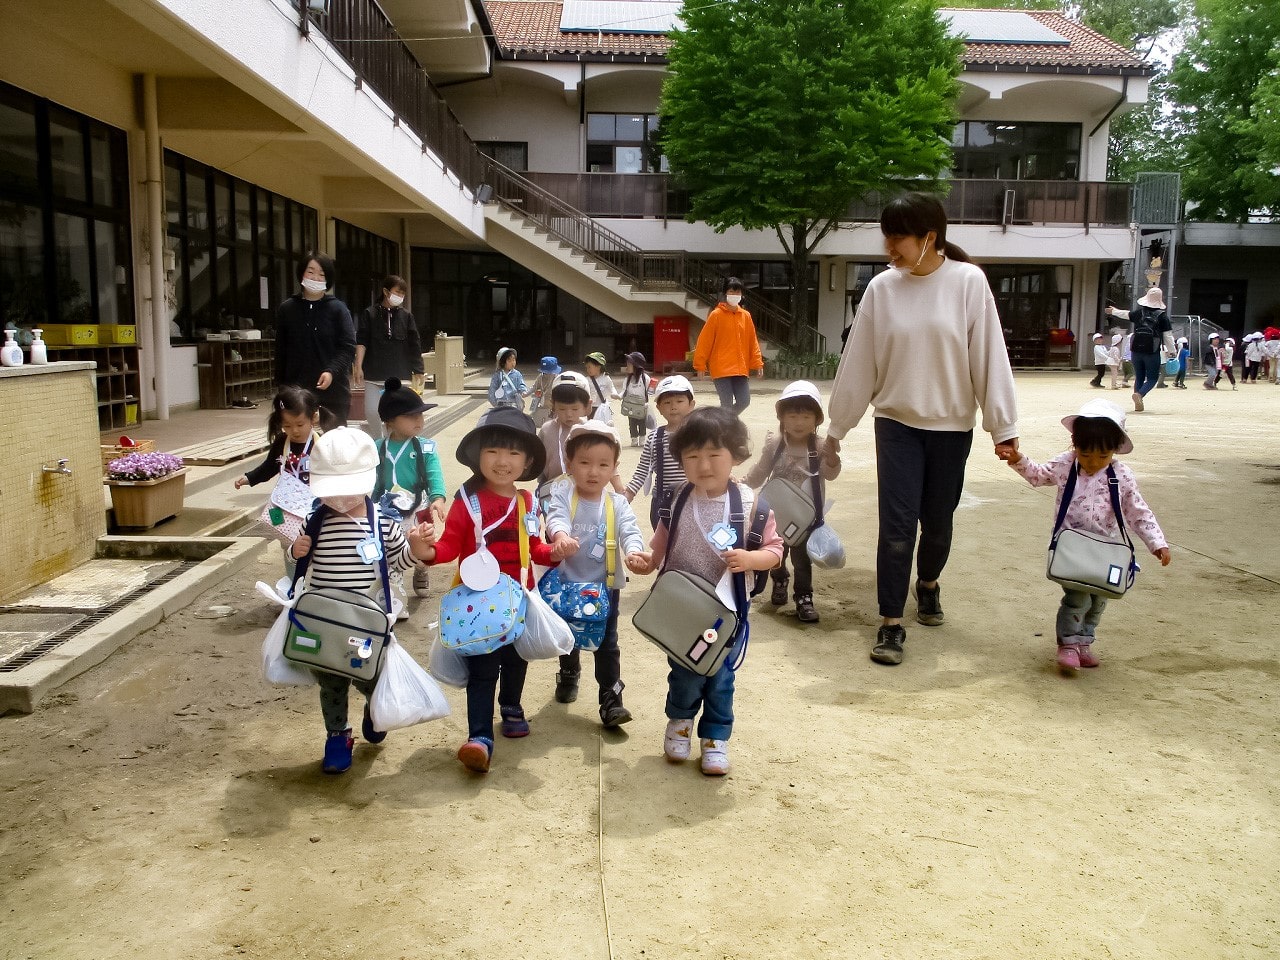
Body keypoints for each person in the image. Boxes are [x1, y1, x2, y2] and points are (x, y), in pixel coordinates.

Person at [824, 192, 1019, 667]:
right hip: (896, 425)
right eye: (886, 237)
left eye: (899, 238)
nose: (889, 248)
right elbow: (859, 364)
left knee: (938, 524)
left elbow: (989, 357)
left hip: (952, 428)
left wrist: (1002, 427)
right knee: (895, 528)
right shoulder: (881, 289)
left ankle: (927, 584)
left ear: (930, 237)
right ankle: (891, 622)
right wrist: (837, 430)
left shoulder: (968, 282)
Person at [632, 408, 784, 776]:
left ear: (735, 455)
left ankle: (715, 738)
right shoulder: (677, 499)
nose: (704, 465)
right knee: (684, 672)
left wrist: (752, 558)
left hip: (726, 613)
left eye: (715, 454)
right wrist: (648, 561)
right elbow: (663, 541)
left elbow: (775, 552)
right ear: (680, 458)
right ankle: (679, 724)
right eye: (693, 456)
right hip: (684, 611)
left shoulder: (752, 507)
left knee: (720, 678)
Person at [287, 427, 435, 774]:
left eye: (347, 491)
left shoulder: (382, 522)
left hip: (366, 621)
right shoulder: (314, 520)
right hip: (324, 620)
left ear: (369, 482)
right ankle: (337, 735)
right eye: (331, 492)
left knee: (370, 675)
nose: (339, 500)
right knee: (331, 681)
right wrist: (297, 552)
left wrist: (414, 550)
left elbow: (397, 563)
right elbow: (299, 565)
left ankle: (375, 708)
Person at [415, 407, 553, 773]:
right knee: (482, 667)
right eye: (493, 451)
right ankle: (479, 736)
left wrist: (555, 553)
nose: (502, 461)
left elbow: (535, 548)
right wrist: (424, 550)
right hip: (477, 606)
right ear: (478, 456)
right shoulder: (467, 503)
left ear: (527, 462)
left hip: (519, 599)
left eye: (513, 453)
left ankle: (511, 707)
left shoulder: (527, 502)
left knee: (516, 659)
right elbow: (447, 548)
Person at [998, 399, 1171, 671]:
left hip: (1105, 550)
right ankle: (1068, 644)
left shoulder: (1121, 476)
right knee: (1077, 598)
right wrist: (1018, 459)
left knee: (1100, 598)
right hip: (1072, 549)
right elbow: (1039, 475)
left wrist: (1156, 542)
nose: (1092, 462)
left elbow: (1137, 512)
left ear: (1114, 450)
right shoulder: (1066, 465)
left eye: (1102, 456)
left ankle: (1084, 642)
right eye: (1085, 454)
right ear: (1074, 445)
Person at [543, 422, 649, 724]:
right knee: (569, 634)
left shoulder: (616, 502)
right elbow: (556, 517)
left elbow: (630, 530)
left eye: (603, 465)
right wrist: (560, 536)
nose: (593, 472)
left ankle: (610, 697)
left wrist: (633, 552)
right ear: (570, 463)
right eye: (585, 463)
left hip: (605, 586)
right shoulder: (563, 494)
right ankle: (569, 671)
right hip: (567, 582)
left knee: (607, 642)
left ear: (614, 467)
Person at [742, 380, 842, 623]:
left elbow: (830, 474)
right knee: (776, 553)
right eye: (792, 415)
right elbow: (762, 470)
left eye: (806, 416)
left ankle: (804, 597)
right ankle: (779, 579)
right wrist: (742, 485)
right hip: (775, 516)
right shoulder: (776, 444)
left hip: (805, 518)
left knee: (801, 559)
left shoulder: (818, 447)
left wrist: (832, 459)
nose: (799, 422)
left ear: (817, 419)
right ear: (782, 417)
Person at [235, 386, 326, 577]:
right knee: (288, 544)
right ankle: (293, 586)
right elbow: (269, 467)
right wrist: (249, 478)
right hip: (282, 506)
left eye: (300, 425)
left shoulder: (322, 444)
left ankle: (314, 585)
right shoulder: (281, 443)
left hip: (313, 507)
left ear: (313, 418)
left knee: (315, 546)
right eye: (287, 426)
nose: (294, 431)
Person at [371, 378, 445, 607]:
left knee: (422, 542)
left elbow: (434, 474)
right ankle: (395, 589)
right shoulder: (377, 447)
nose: (419, 421)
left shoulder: (425, 446)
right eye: (411, 416)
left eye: (420, 415)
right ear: (391, 421)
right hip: (386, 508)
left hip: (418, 506)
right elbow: (371, 480)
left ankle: (421, 568)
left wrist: (438, 498)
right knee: (391, 548)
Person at [275, 254, 356, 425]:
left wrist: (331, 371)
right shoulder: (287, 309)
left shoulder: (338, 309)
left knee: (333, 445)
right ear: (301, 274)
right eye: (310, 272)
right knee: (300, 445)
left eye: (321, 274)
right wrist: (282, 389)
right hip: (296, 394)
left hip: (333, 393)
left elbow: (348, 347)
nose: (315, 278)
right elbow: (281, 352)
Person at [353, 275, 424, 437]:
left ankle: (395, 441)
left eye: (402, 294)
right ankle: (380, 442)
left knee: (398, 414)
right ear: (385, 291)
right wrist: (358, 366)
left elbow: (415, 343)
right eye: (396, 292)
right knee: (371, 411)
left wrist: (418, 368)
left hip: (399, 375)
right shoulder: (369, 314)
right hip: (374, 374)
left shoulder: (407, 316)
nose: (399, 296)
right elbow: (362, 341)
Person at [624, 374, 695, 529]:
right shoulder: (655, 437)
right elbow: (643, 469)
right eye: (667, 402)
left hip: (693, 499)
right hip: (663, 502)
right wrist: (629, 493)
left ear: (691, 404)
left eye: (680, 401)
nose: (673, 406)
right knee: (662, 545)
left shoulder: (699, 435)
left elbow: (712, 462)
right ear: (659, 408)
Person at [538, 372, 622, 499]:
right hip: (552, 491)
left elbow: (606, 461)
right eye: (562, 409)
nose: (569, 414)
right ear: (553, 405)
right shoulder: (546, 430)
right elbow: (539, 463)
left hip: (586, 492)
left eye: (575, 409)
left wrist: (619, 487)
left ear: (588, 406)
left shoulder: (592, 431)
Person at [693, 278, 764, 415]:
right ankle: (726, 428)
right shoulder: (716, 315)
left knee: (744, 401)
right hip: (721, 368)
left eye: (737, 292)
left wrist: (758, 363)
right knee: (726, 404)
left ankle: (723, 422)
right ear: (725, 293)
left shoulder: (746, 316)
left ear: (741, 294)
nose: (735, 295)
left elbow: (752, 341)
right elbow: (705, 341)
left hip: (740, 368)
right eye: (731, 291)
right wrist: (700, 365)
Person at [620, 351, 654, 447]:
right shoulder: (628, 379)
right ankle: (634, 439)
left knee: (642, 422)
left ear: (636, 365)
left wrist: (652, 389)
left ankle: (642, 438)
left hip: (642, 405)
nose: (627, 366)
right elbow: (624, 390)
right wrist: (619, 396)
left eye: (629, 364)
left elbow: (650, 391)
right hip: (630, 405)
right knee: (632, 423)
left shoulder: (645, 378)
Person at [583, 351, 619, 423]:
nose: (588, 370)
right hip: (590, 408)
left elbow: (611, 387)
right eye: (587, 367)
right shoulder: (586, 380)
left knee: (602, 426)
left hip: (602, 407)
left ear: (598, 366)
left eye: (590, 367)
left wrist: (614, 393)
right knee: (591, 426)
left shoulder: (606, 378)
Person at [527, 356, 562, 426]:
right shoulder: (540, 377)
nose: (548, 374)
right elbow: (534, 387)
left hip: (553, 404)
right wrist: (527, 393)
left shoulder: (557, 378)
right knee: (539, 418)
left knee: (554, 421)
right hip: (542, 402)